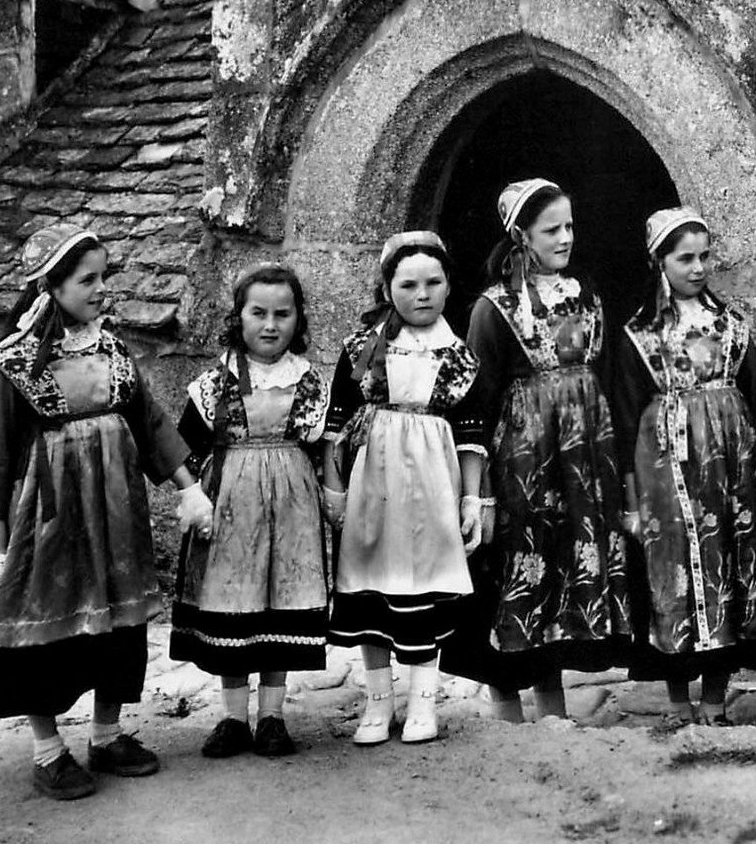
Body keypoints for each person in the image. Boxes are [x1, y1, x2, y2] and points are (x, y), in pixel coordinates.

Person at [0, 223, 213, 800]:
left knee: (119, 622)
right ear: (52, 286)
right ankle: (48, 751)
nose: (100, 290)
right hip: (46, 521)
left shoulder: (113, 350)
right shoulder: (10, 366)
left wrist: (188, 488)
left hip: (115, 516)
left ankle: (107, 733)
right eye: (86, 279)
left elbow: (152, 426)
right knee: (44, 630)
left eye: (104, 277)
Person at [444, 179, 633, 722]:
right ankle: (506, 707)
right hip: (524, 459)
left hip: (585, 457)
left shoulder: (588, 293)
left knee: (562, 570)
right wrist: (475, 487)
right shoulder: (492, 308)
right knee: (516, 568)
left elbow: (606, 371)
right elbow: (477, 399)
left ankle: (553, 708)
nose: (566, 237)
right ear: (521, 236)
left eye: (570, 226)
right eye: (552, 229)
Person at [611, 208, 756, 727]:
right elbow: (625, 420)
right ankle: (676, 703)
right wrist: (631, 499)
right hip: (665, 475)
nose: (697, 268)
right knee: (671, 578)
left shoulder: (730, 325)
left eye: (704, 256)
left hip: (730, 474)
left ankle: (714, 702)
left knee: (731, 574)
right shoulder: (638, 336)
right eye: (684, 258)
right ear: (659, 262)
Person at [325, 232, 488, 745]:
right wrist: (334, 491)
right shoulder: (361, 348)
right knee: (370, 581)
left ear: (447, 287)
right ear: (387, 286)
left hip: (434, 483)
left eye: (434, 283)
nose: (423, 294)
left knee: (425, 587)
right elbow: (336, 423)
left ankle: (423, 700)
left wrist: (471, 499)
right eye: (409, 284)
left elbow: (472, 435)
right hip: (374, 480)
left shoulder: (459, 356)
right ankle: (377, 702)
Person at [170, 263, 332, 759]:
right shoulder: (213, 383)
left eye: (282, 314)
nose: (270, 325)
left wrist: (332, 495)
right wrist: (193, 495)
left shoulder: (308, 382)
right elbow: (185, 448)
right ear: (238, 317)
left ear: (297, 320)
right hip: (231, 510)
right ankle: (233, 717)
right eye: (258, 313)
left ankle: (273, 717)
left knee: (279, 603)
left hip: (291, 509)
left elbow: (324, 447)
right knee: (233, 606)